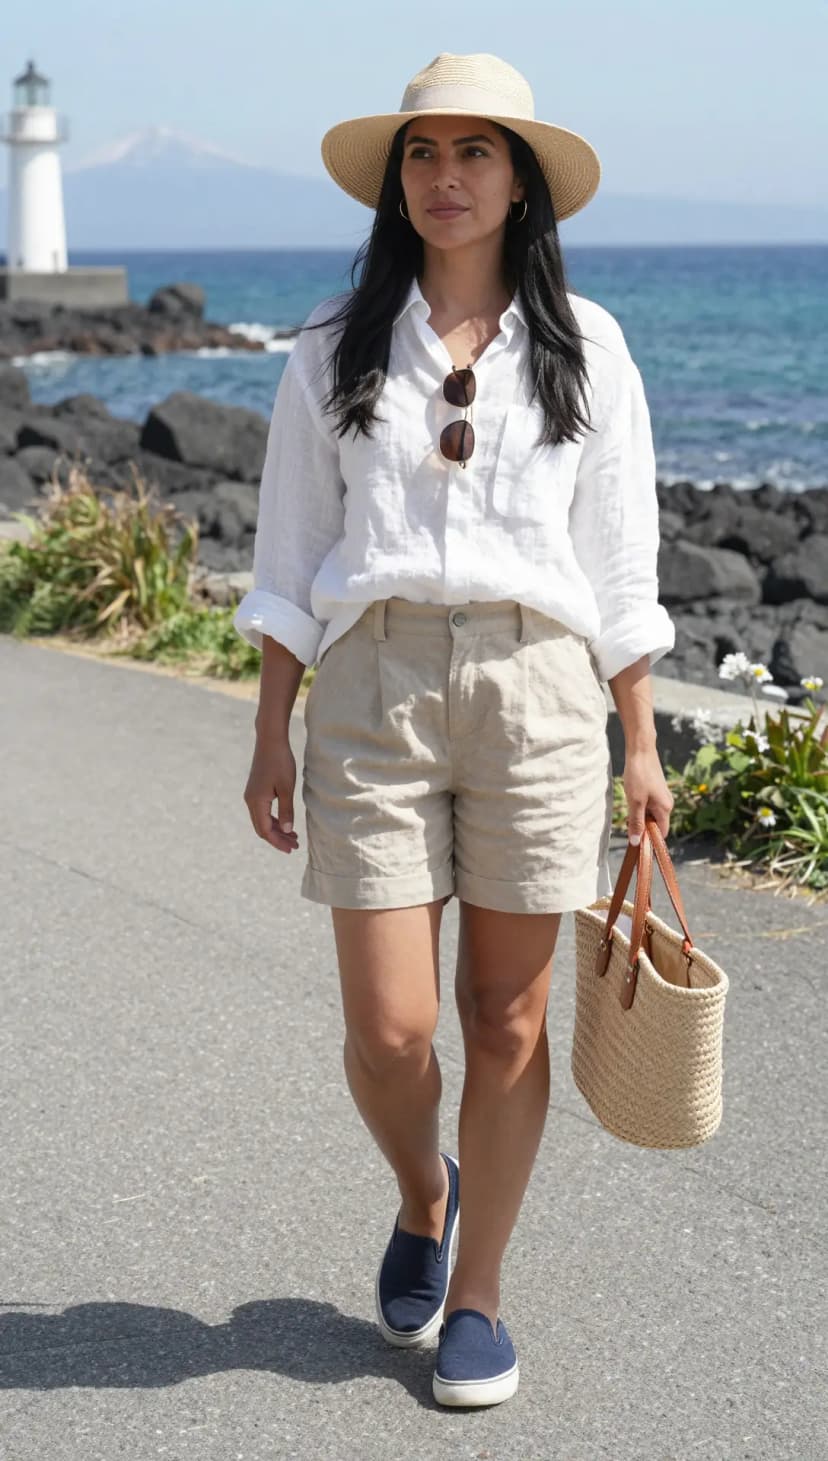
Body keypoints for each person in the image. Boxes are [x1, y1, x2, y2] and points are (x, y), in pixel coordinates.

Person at [234, 51, 676, 1409]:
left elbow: (620, 566)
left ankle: (477, 1293)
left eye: (476, 151)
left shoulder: (588, 346)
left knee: (508, 1016)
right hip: (372, 687)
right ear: (396, 181)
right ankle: (426, 1192)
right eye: (424, 153)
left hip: (541, 693)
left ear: (522, 182)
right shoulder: (333, 343)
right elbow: (291, 549)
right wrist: (270, 729)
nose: (446, 176)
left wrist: (642, 741)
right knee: (391, 1029)